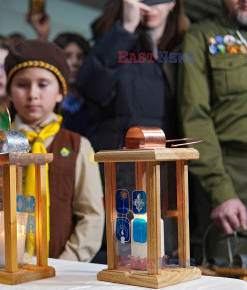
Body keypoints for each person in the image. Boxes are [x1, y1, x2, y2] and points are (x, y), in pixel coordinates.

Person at [5, 39, 104, 262]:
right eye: (22, 85)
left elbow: (91, 214)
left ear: (61, 93)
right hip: (7, 265)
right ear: (9, 93)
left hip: (62, 269)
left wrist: (67, 263)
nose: (32, 94)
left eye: (43, 84)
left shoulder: (78, 146)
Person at [77, 0, 188, 186]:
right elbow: (91, 89)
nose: (149, 7)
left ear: (172, 3)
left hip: (170, 168)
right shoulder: (113, 39)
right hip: (121, 166)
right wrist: (127, 27)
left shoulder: (186, 47)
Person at [179, 0, 247, 263]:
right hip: (229, 176)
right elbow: (194, 118)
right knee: (228, 278)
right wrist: (221, 191)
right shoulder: (202, 37)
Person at [53, 33, 99, 142]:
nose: (75, 63)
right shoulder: (47, 103)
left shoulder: (95, 103)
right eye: (67, 56)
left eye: (80, 57)